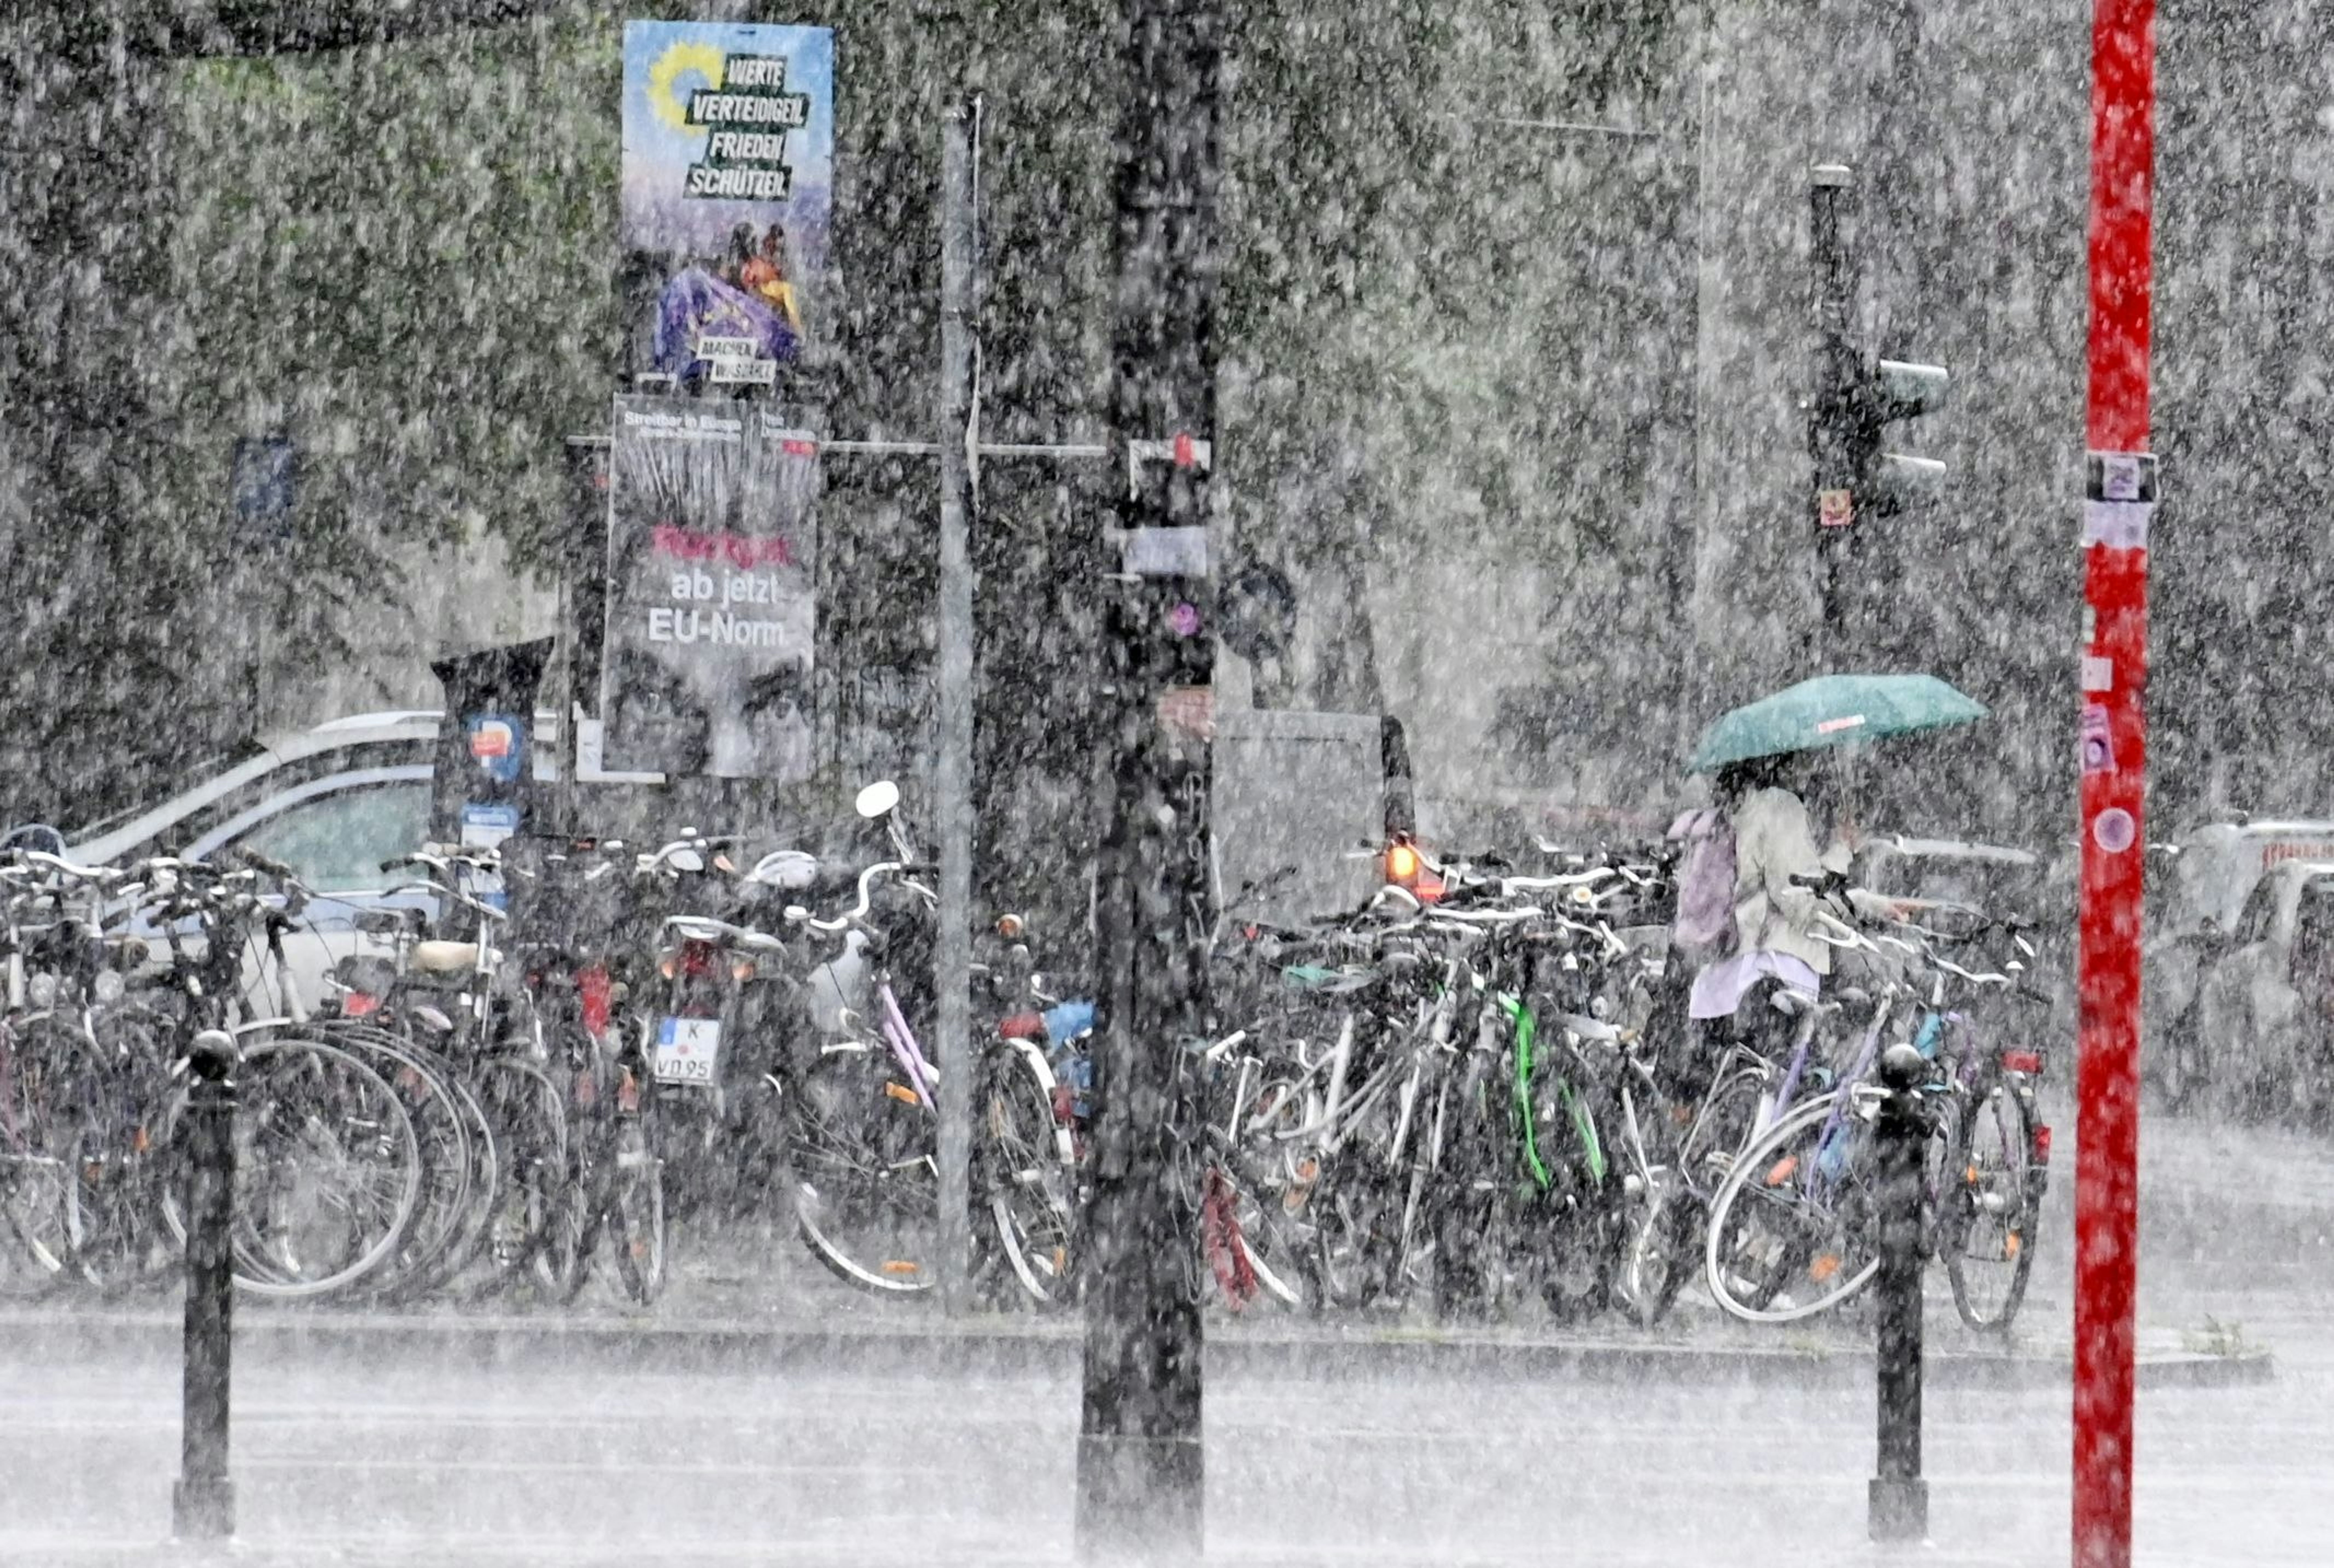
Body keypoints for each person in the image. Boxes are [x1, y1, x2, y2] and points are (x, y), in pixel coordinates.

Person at [1687, 750, 1855, 1031]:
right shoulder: (1779, 807)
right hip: (1774, 979)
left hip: (1720, 983)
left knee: (1728, 1073)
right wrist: (1843, 851)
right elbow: (1799, 902)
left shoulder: (1733, 809)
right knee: (1783, 1071)